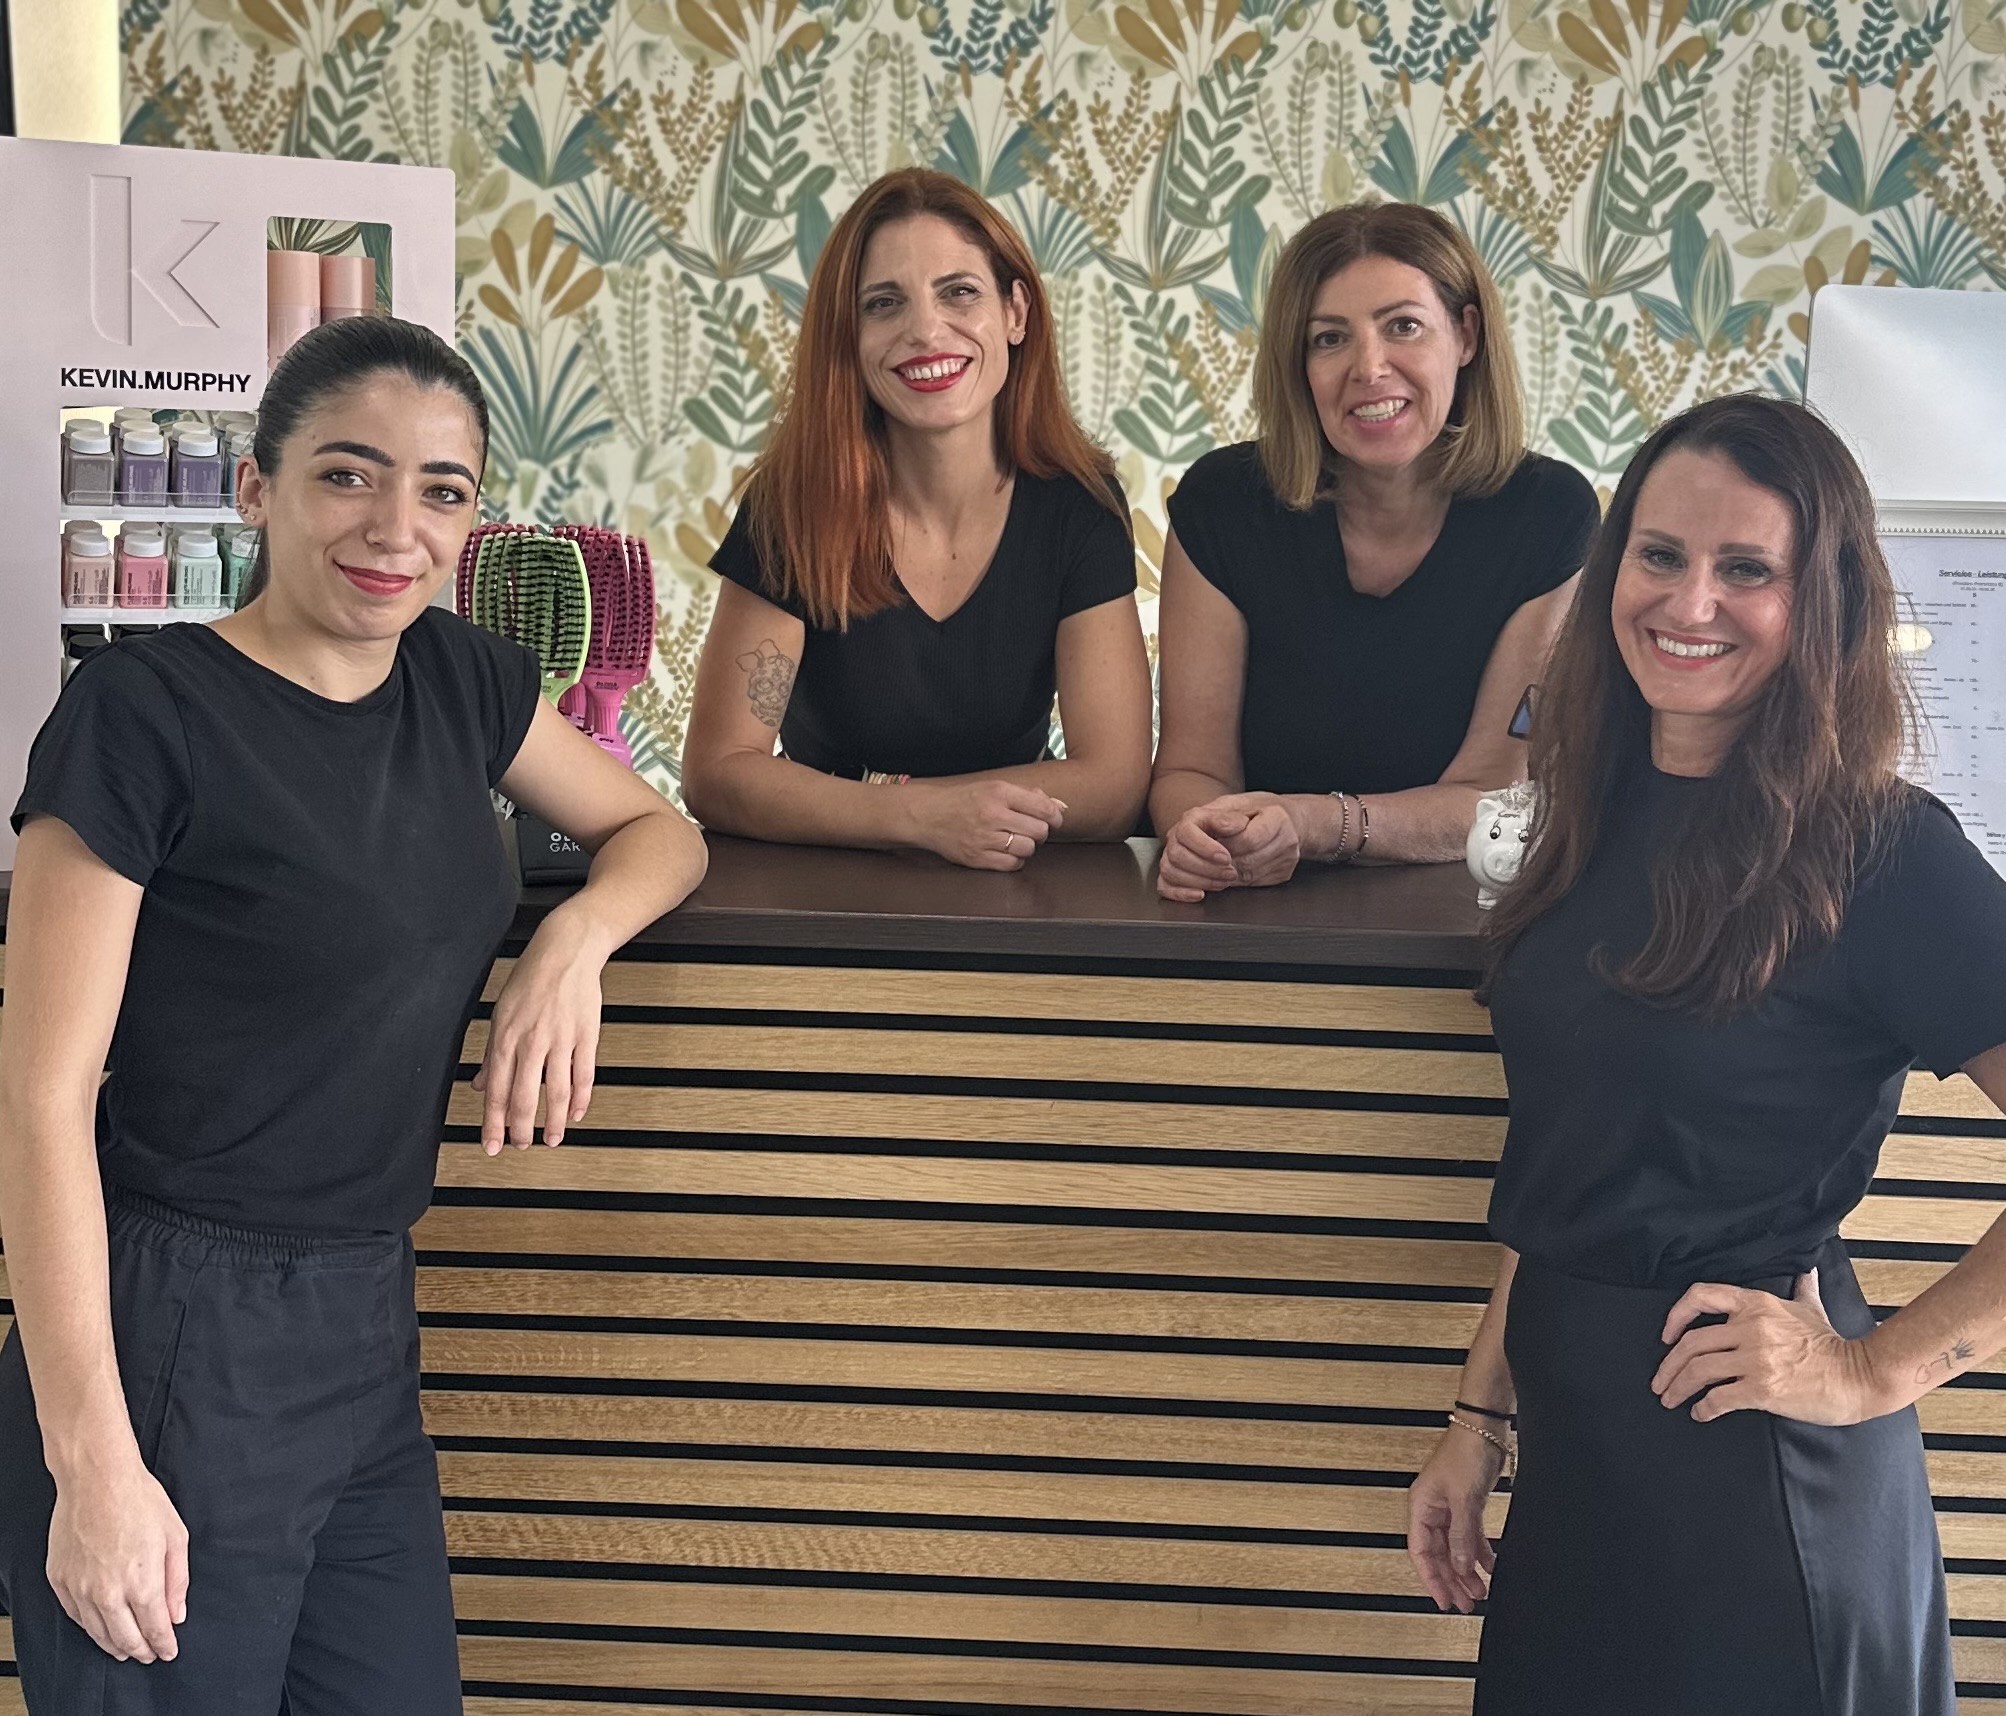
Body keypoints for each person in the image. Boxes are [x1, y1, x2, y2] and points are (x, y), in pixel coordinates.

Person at [1403, 394, 2006, 1714]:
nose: (1689, 601)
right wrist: (1477, 1421)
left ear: (1819, 601)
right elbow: (1570, 1153)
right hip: (1579, 1460)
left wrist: (1875, 1368)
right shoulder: (1586, 812)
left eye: (1745, 569)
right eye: (1660, 556)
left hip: (1753, 1476)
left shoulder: (1877, 849)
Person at [0, 317, 706, 1712]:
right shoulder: (142, 715)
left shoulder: (461, 680)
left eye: (441, 490)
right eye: (346, 475)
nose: (395, 528)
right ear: (255, 489)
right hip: (173, 1323)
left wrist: (572, 938)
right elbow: (40, 1099)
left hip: (364, 1314)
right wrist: (94, 1464)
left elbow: (658, 832)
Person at [683, 169, 1152, 869]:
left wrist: (921, 808)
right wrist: (921, 816)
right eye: (884, 304)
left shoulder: (1080, 506)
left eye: (959, 292)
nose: (926, 331)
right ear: (849, 336)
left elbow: (1113, 788)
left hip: (1016, 884)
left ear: (1016, 312)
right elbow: (718, 771)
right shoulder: (790, 506)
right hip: (820, 890)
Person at [1150, 201, 1597, 903]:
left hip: (1454, 912)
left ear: (1466, 335)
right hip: (1248, 901)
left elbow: (1492, 794)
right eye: (1329, 339)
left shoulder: (1549, 514)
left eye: (1403, 326)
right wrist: (1207, 836)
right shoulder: (1223, 503)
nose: (1369, 367)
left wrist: (1315, 823)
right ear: (1298, 366)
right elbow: (1191, 770)